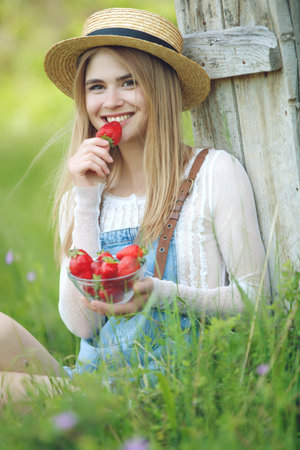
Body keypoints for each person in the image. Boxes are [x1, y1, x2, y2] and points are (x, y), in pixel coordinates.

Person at [0, 8, 270, 403]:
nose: (110, 102)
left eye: (128, 82)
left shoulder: (214, 174)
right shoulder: (83, 194)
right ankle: (86, 413)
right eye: (96, 87)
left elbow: (257, 301)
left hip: (173, 391)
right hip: (95, 382)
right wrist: (86, 200)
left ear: (158, 87)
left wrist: (159, 292)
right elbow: (83, 326)